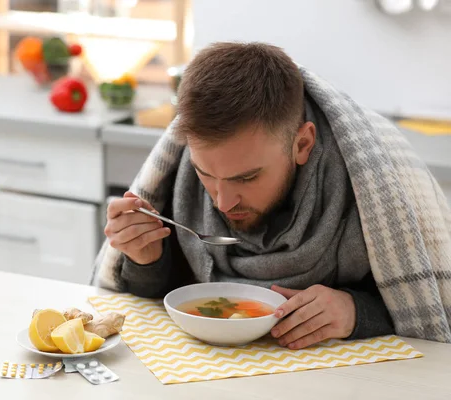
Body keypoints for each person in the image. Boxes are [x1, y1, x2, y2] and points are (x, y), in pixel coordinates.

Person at [93, 42, 451, 347]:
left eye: (246, 178)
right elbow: (162, 301)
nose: (221, 202)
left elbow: (428, 304)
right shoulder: (180, 176)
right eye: (206, 174)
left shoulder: (374, 183)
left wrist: (357, 311)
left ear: (303, 144)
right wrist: (145, 259)